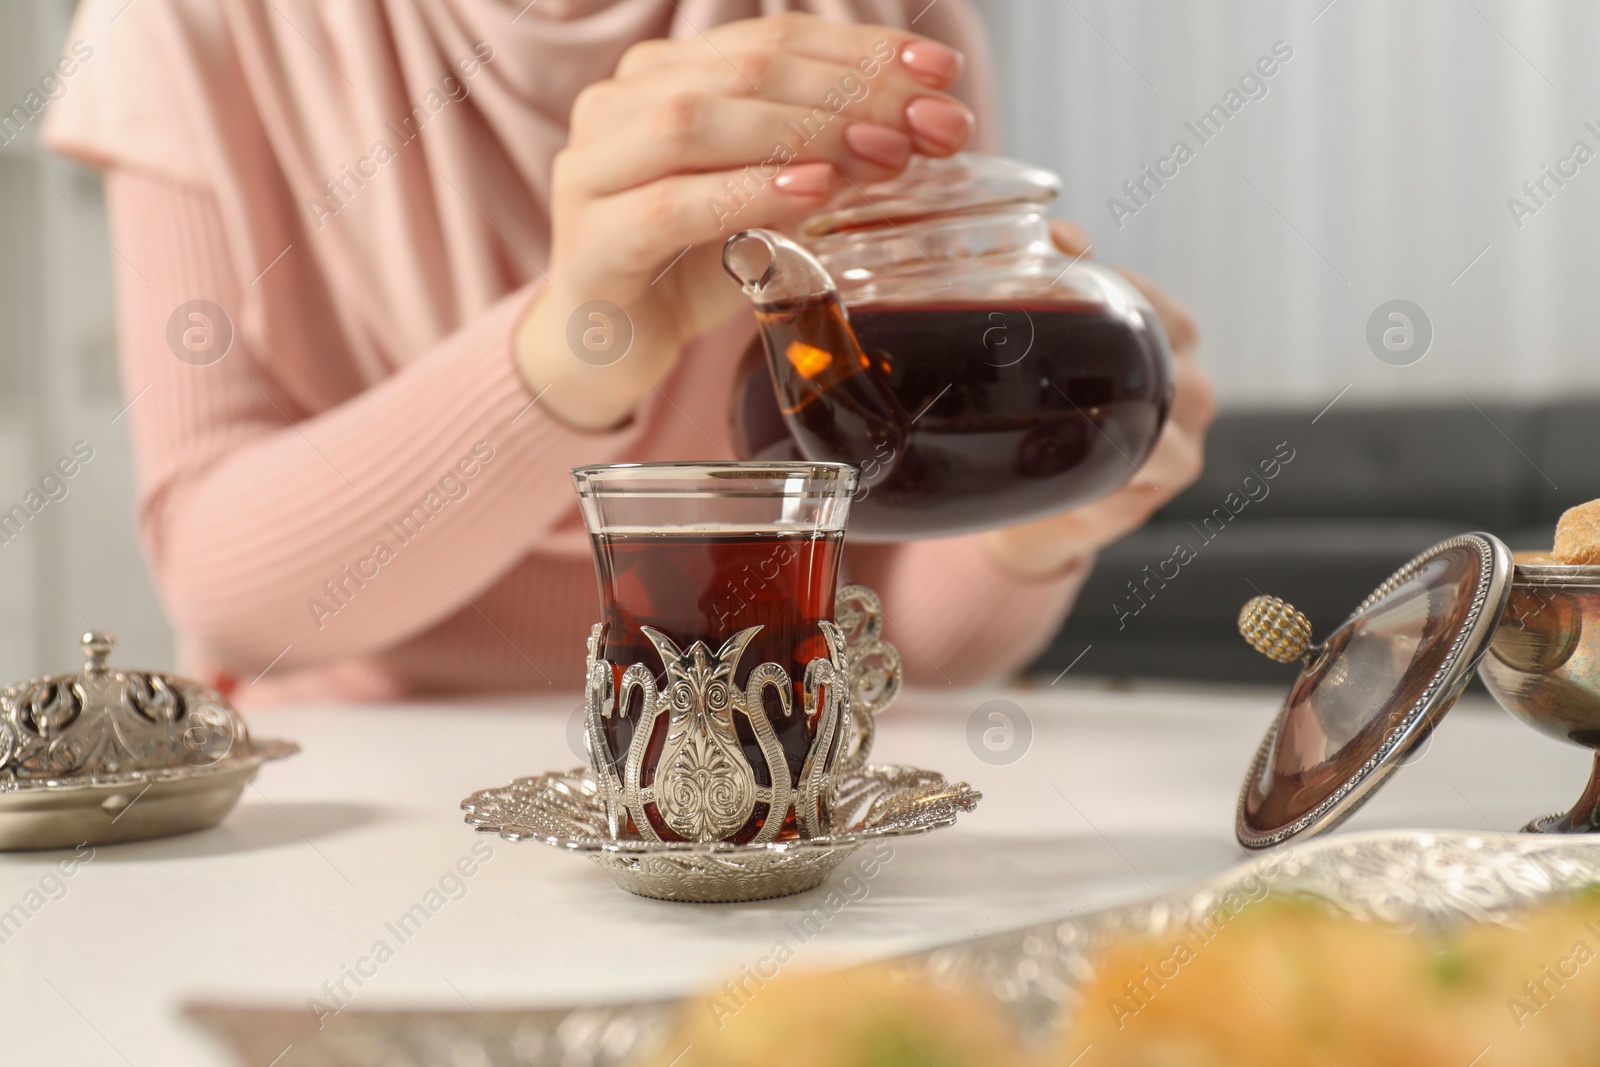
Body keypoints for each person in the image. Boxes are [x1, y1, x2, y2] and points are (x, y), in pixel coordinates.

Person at [44, 0, 1212, 706]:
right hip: (351, 785)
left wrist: (1032, 529)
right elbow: (222, 583)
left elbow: (887, 626)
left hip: (780, 769)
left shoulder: (868, 31)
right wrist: (574, 349)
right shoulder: (193, 22)